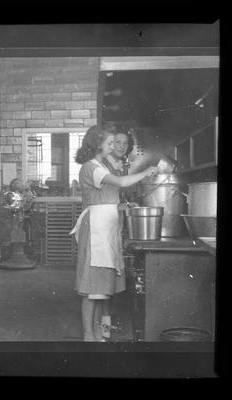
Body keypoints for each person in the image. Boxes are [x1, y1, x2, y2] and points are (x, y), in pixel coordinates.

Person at [71, 125, 158, 342]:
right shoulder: (91, 167)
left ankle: (100, 331)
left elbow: (108, 198)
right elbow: (119, 183)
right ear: (97, 144)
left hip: (106, 227)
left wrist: (122, 207)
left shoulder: (100, 165)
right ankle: (88, 335)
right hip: (96, 230)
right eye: (110, 142)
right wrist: (146, 172)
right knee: (92, 287)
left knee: (102, 285)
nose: (113, 146)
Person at [100, 126, 138, 339]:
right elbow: (104, 198)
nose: (121, 147)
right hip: (105, 221)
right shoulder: (105, 165)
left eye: (125, 143)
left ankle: (107, 320)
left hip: (116, 220)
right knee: (106, 270)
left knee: (113, 270)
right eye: (117, 143)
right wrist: (123, 206)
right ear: (110, 144)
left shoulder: (121, 164)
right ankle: (104, 321)